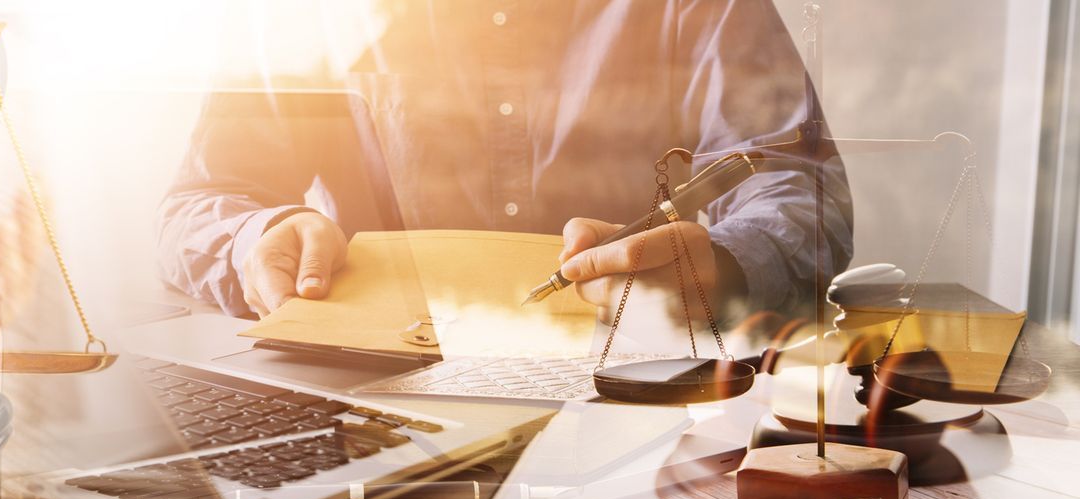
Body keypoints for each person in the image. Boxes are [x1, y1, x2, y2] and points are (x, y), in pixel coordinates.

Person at [159, 0, 853, 320]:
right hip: (368, 401)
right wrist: (258, 238)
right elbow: (199, 202)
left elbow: (798, 186)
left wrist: (721, 263)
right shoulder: (307, 14)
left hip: (643, 385)